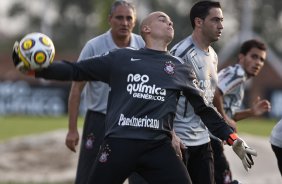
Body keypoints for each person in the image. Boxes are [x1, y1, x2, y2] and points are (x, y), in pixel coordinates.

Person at [12, 11, 257, 184]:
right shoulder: (121, 58)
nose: (170, 22)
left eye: (171, 20)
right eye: (163, 19)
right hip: (119, 144)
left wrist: (231, 138)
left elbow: (204, 109)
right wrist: (34, 69)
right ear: (146, 29)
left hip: (157, 148)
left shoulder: (180, 68)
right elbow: (76, 70)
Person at [64, 1, 146, 184]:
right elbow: (77, 88)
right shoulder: (94, 47)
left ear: (134, 21)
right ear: (110, 20)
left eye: (128, 18)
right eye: (119, 17)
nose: (124, 23)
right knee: (89, 176)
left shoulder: (143, 46)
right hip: (99, 120)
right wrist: (71, 130)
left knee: (140, 176)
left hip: (133, 121)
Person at [170, 1, 223, 183]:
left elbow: (208, 97)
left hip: (203, 139)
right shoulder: (179, 54)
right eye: (215, 20)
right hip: (180, 142)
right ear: (198, 22)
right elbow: (163, 97)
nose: (221, 26)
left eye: (222, 20)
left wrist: (222, 127)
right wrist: (171, 134)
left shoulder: (214, 55)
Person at [212, 39, 270, 184]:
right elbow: (214, 93)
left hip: (211, 138)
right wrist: (225, 120)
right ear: (241, 57)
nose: (258, 62)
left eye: (262, 59)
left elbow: (228, 115)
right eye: (254, 56)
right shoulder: (237, 74)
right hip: (208, 138)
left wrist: (251, 112)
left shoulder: (237, 77)